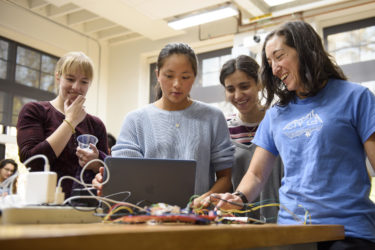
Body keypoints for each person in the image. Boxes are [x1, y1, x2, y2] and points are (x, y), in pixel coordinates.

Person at [209, 21, 375, 249]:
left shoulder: (356, 97)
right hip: (292, 232)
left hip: (348, 231)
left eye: (279, 56)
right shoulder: (276, 114)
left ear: (306, 50)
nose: (274, 69)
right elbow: (256, 175)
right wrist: (238, 197)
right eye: (269, 63)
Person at [94, 42, 234, 207]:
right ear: (157, 74)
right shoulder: (135, 120)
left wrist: (205, 199)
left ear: (194, 77)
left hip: (197, 219)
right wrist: (109, 182)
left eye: (185, 77)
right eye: (169, 76)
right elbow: (126, 179)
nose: (177, 84)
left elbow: (225, 178)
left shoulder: (212, 117)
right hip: (146, 219)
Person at [17, 51, 109, 198]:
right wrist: (70, 121)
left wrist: (95, 163)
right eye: (70, 79)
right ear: (58, 76)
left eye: (84, 82)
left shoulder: (96, 124)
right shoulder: (35, 111)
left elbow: (108, 172)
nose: (76, 87)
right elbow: (32, 161)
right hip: (44, 202)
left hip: (87, 205)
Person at [219, 55, 283, 222]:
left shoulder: (278, 122)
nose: (238, 95)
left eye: (244, 86)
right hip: (239, 222)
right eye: (230, 89)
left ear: (259, 83)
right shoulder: (223, 130)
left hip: (282, 220)